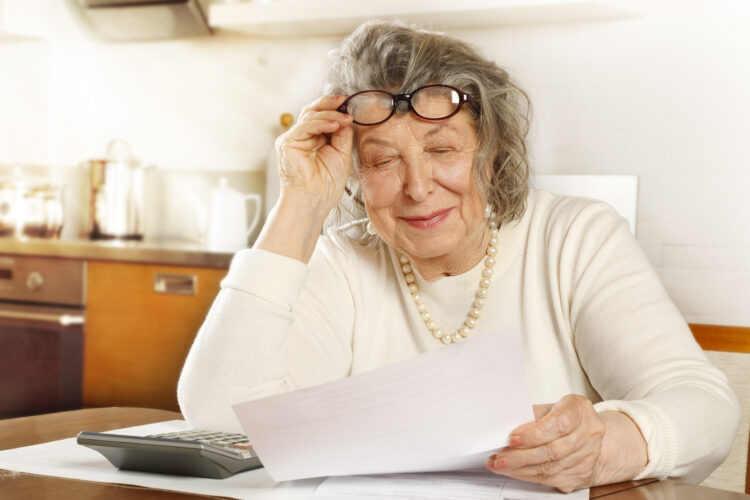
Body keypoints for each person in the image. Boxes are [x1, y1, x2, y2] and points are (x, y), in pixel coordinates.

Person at [178, 20, 740, 492]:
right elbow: (222, 419)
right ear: (356, 176)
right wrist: (299, 204)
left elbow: (706, 409)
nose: (418, 187)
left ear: (490, 156)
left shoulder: (573, 236)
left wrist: (605, 445)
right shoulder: (342, 261)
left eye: (442, 149)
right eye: (382, 161)